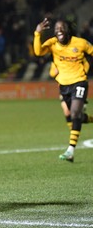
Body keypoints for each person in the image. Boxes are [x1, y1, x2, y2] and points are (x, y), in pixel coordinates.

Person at [34, 18, 93, 162]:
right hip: (64, 86)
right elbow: (38, 52)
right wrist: (37, 33)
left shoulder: (80, 43)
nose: (59, 30)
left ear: (68, 30)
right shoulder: (52, 43)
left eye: (62, 27)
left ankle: (70, 151)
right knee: (75, 116)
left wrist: (86, 70)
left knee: (74, 113)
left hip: (79, 82)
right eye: (56, 28)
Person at [49, 62, 93, 129]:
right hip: (64, 88)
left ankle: (74, 134)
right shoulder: (57, 57)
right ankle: (73, 132)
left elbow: (86, 65)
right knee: (67, 112)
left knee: (76, 115)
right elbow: (52, 72)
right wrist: (54, 72)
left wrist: (80, 73)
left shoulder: (75, 55)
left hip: (77, 86)